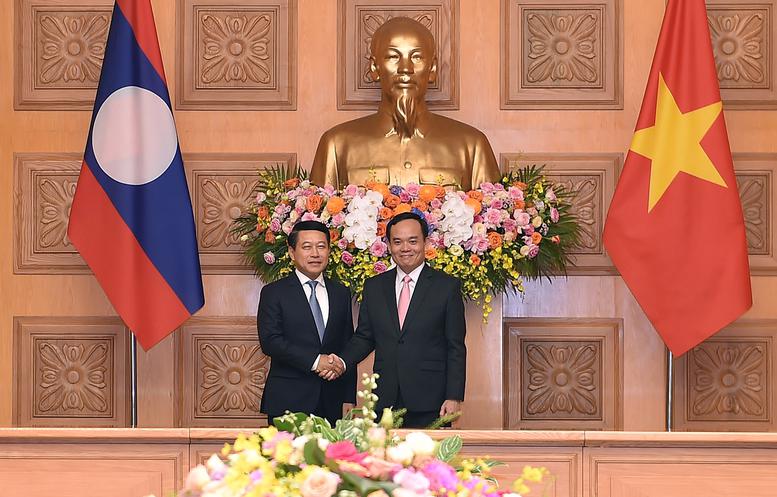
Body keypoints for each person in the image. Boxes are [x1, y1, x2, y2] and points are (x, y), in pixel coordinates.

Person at [310, 17, 500, 190]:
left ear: (432, 68)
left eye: (416, 57)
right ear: (374, 68)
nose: (405, 68)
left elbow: (491, 222)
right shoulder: (337, 145)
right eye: (393, 56)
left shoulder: (472, 146)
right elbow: (318, 224)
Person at [326, 212, 466, 428]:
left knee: (430, 460)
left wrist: (454, 396)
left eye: (413, 241)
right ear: (389, 246)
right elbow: (365, 337)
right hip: (385, 397)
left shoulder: (446, 287)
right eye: (397, 242)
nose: (405, 248)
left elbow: (455, 346)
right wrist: (341, 361)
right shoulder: (374, 286)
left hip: (431, 399)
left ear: (426, 243)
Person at [258, 221, 355, 426]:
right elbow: (271, 341)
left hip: (332, 401)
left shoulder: (340, 293)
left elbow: (348, 345)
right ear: (292, 253)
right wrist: (315, 361)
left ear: (329, 251)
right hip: (287, 400)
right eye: (307, 247)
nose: (315, 253)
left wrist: (349, 397)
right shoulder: (274, 292)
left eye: (321, 246)